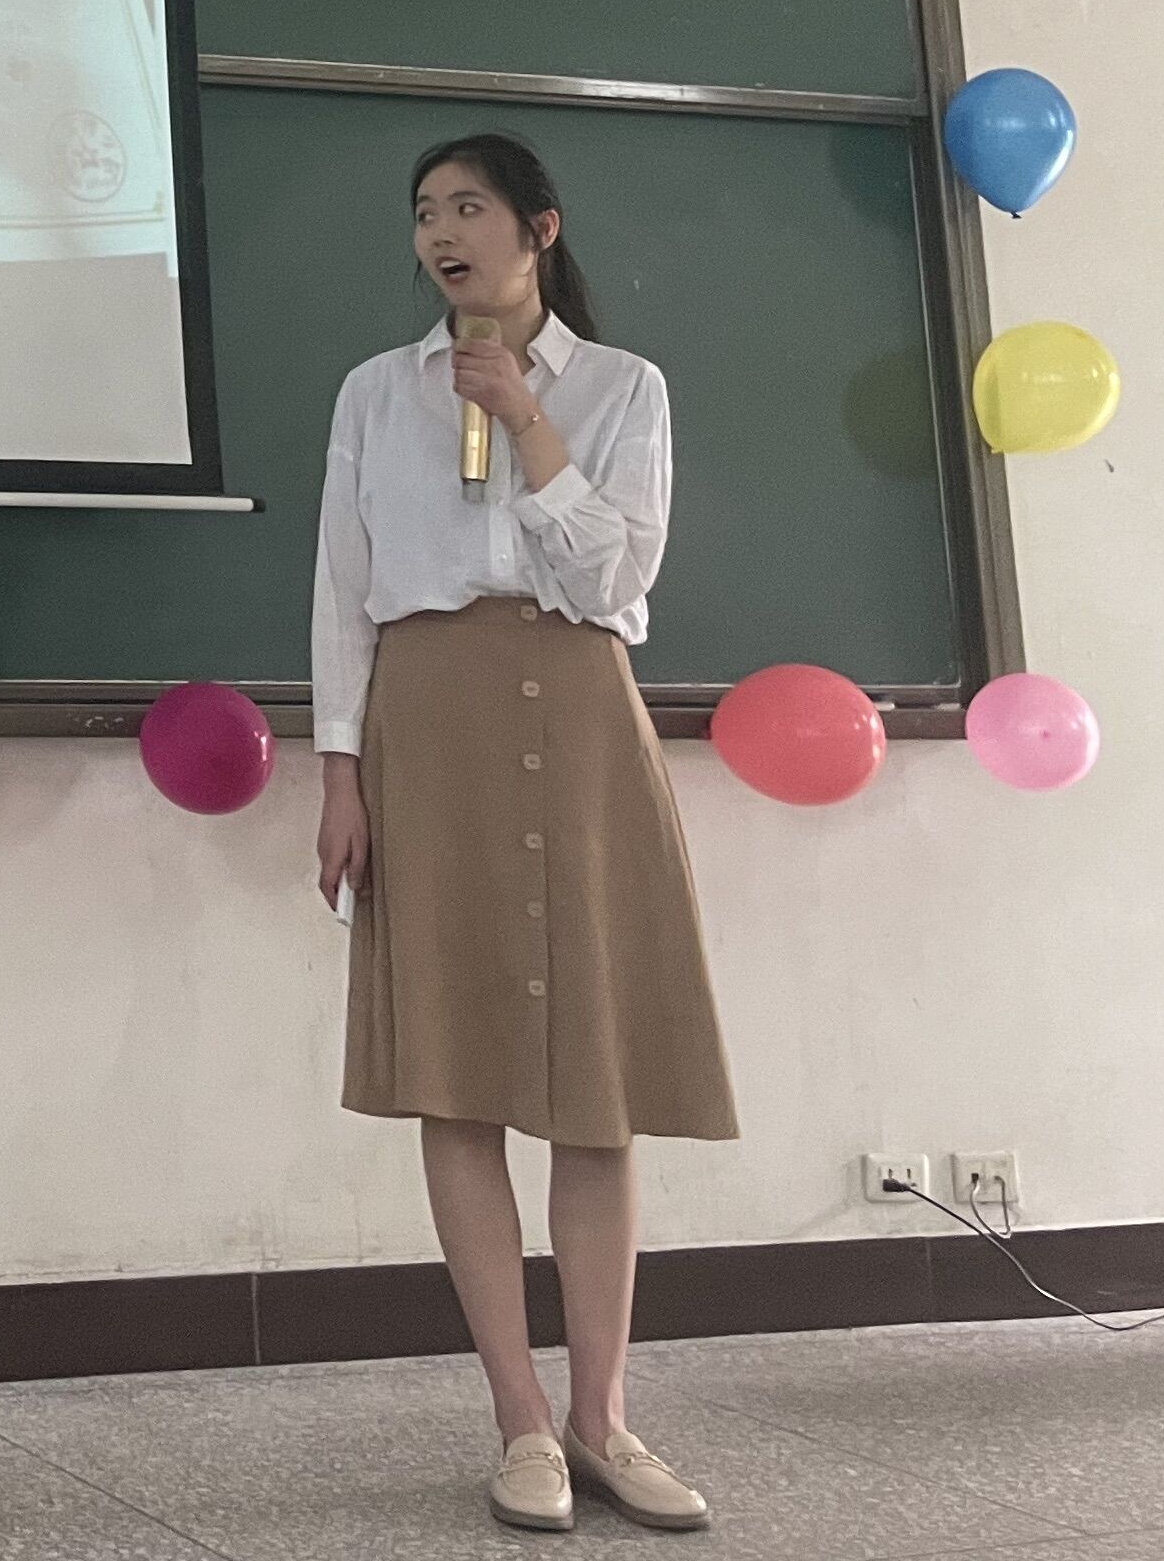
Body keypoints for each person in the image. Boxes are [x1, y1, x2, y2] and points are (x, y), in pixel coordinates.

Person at [313, 132, 734, 1535]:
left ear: (539, 229)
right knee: (459, 1077)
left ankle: (604, 1418)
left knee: (595, 1082)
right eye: (425, 212)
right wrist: (338, 772)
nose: (443, 233)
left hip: (583, 709)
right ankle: (522, 1425)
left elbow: (618, 577)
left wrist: (527, 421)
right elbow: (343, 590)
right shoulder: (377, 392)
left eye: (470, 207)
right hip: (427, 720)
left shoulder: (623, 388)